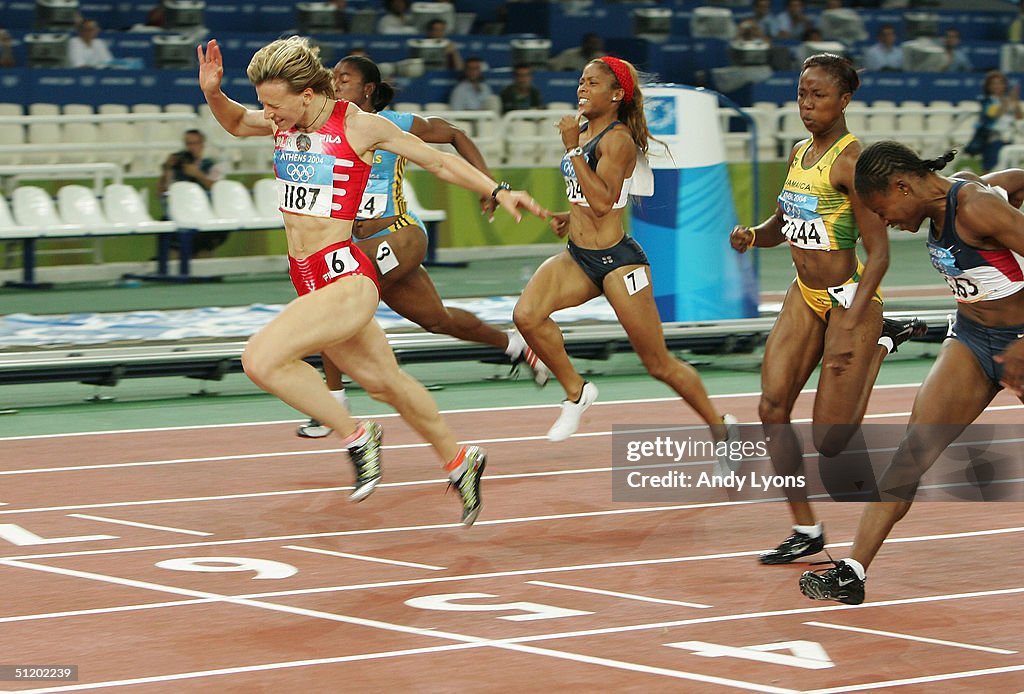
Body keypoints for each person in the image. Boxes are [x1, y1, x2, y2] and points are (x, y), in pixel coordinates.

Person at [196, 36, 548, 524]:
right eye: (264, 105)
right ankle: (460, 458)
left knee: (260, 358)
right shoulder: (285, 119)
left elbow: (438, 159)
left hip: (344, 276)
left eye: (273, 106)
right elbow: (235, 121)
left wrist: (498, 189)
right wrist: (213, 91)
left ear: (305, 93)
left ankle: (357, 436)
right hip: (309, 279)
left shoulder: (359, 125)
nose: (267, 115)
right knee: (388, 384)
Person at [799, 144, 1024, 605]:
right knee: (912, 451)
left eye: (883, 211)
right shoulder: (969, 191)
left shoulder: (978, 208)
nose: (884, 222)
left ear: (903, 186)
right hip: (972, 341)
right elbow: (1017, 177)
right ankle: (852, 572)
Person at [729, 54, 925, 565]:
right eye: (801, 95)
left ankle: (883, 340)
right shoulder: (799, 153)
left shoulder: (851, 162)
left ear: (843, 100)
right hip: (804, 293)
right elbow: (784, 221)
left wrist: (857, 319)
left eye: (817, 96)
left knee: (831, 440)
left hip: (849, 298)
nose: (806, 105)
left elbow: (879, 255)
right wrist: (755, 235)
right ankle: (806, 529)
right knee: (771, 409)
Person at [294, 55, 550, 439]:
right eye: (332, 77)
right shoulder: (328, 129)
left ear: (367, 89)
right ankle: (514, 345)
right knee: (436, 319)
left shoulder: (391, 125)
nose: (335, 83)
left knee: (335, 293)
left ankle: (334, 401)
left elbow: (454, 135)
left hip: (400, 234)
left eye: (343, 78)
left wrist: (490, 185)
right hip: (357, 241)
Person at [512, 55, 737, 450]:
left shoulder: (617, 141)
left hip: (618, 262)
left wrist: (571, 152)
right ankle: (576, 391)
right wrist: (570, 213)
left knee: (658, 364)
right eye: (580, 81)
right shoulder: (582, 134)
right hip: (578, 256)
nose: (582, 88)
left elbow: (603, 202)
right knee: (526, 316)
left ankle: (720, 428)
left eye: (592, 83)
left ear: (617, 95)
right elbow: (595, 197)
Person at [158, 129, 227, 257]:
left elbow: (218, 190)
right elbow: (161, 193)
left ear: (202, 145)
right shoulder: (177, 167)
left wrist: (198, 174)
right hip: (179, 213)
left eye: (195, 143)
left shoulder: (212, 166)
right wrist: (166, 169)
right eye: (188, 144)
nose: (192, 147)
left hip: (205, 214)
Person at [964, 70, 1022, 174]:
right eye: (994, 83)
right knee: (990, 168)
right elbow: (992, 116)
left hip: (1009, 137)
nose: (997, 86)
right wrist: (1005, 104)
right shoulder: (987, 100)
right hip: (993, 138)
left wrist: (1015, 103)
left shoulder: (1010, 100)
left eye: (1000, 83)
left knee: (1010, 169)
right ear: (988, 86)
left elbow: (1019, 118)